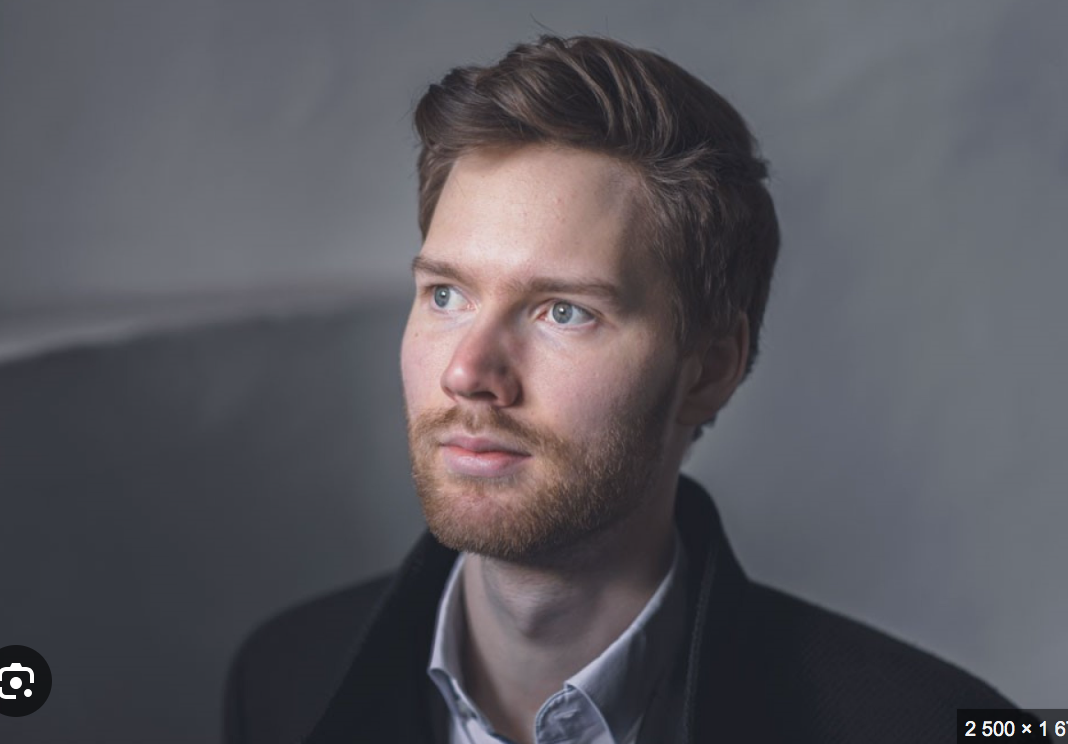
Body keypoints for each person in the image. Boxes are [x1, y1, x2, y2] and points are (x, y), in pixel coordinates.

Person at [223, 35, 1025, 744]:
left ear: (708, 370)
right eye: (446, 294)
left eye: (563, 311)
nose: (467, 372)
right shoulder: (283, 679)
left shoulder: (939, 726)